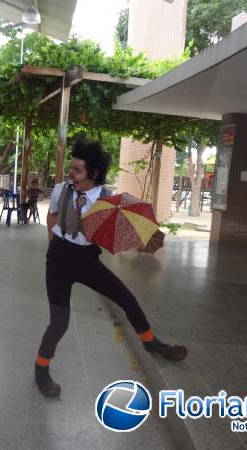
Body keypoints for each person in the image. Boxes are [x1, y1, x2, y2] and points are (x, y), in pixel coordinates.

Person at [34, 140, 188, 397]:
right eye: (71, 168)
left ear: (94, 174)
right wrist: (54, 244)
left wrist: (141, 238)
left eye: (78, 170)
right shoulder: (62, 189)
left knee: (127, 299)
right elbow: (52, 215)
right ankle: (41, 370)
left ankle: (151, 343)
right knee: (59, 323)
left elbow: (114, 230)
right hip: (59, 260)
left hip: (87, 260)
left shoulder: (107, 199)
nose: (71, 174)